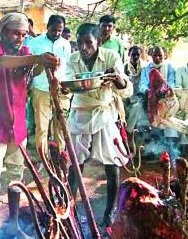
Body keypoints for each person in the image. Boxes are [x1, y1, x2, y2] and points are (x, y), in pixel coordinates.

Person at [0, 12, 59, 239]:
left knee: (16, 176)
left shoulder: (24, 51)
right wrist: (36, 59)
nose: (20, 38)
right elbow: (0, 63)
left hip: (18, 125)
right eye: (16, 33)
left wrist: (44, 64)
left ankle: (13, 225)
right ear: (4, 31)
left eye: (24, 34)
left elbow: (31, 71)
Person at [64, 23, 133, 227]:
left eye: (89, 43)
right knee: (75, 165)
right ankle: (69, 207)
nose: (83, 48)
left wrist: (117, 78)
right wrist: (63, 87)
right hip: (80, 113)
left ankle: (110, 211)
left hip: (104, 114)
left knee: (112, 164)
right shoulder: (72, 59)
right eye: (80, 43)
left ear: (99, 42)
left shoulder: (111, 57)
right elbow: (66, 84)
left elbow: (125, 89)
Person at [28, 15, 72, 154]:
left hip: (60, 90)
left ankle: (60, 157)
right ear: (48, 27)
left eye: (60, 30)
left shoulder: (65, 44)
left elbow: (68, 67)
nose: (57, 33)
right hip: (41, 89)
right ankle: (44, 159)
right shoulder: (34, 43)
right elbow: (29, 69)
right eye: (54, 30)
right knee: (42, 127)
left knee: (61, 125)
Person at [124, 46, 149, 133]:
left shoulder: (145, 67)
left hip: (141, 97)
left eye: (137, 55)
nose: (135, 57)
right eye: (133, 55)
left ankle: (128, 132)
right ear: (129, 54)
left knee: (137, 107)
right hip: (127, 96)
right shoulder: (124, 67)